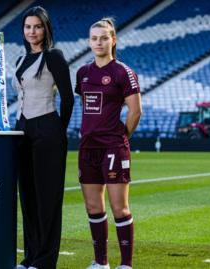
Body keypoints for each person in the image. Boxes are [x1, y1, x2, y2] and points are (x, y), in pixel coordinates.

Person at [75, 18, 142, 269]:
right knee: (93, 205)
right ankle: (100, 262)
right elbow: (86, 107)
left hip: (113, 147)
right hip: (87, 147)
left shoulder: (122, 72)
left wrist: (121, 138)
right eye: (94, 38)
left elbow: (135, 112)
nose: (98, 42)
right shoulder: (82, 73)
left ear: (113, 40)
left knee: (119, 208)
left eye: (104, 37)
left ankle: (125, 264)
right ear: (89, 42)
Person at [12, 6, 74, 269]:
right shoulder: (19, 60)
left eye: (37, 26)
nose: (32, 31)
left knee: (47, 198)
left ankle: (45, 261)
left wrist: (58, 129)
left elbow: (68, 98)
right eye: (28, 27)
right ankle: (30, 257)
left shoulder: (54, 57)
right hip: (22, 130)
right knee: (27, 198)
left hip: (47, 129)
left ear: (45, 28)